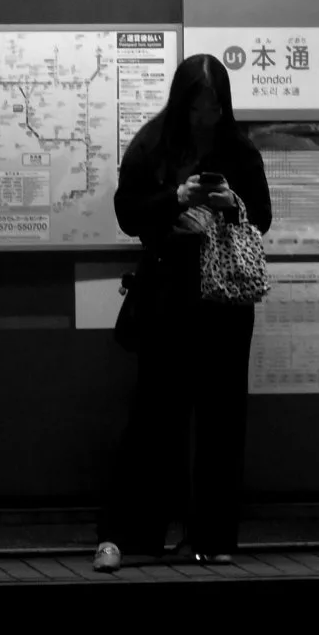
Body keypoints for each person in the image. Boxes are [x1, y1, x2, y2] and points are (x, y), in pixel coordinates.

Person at [94, 54, 271, 573]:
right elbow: (129, 214)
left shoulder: (238, 149)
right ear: (182, 102)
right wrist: (176, 197)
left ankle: (214, 537)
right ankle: (130, 535)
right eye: (198, 106)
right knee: (155, 419)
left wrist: (227, 202)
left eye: (215, 107)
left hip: (225, 302)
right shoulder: (152, 144)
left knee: (222, 421)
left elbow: (260, 215)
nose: (206, 117)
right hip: (169, 297)